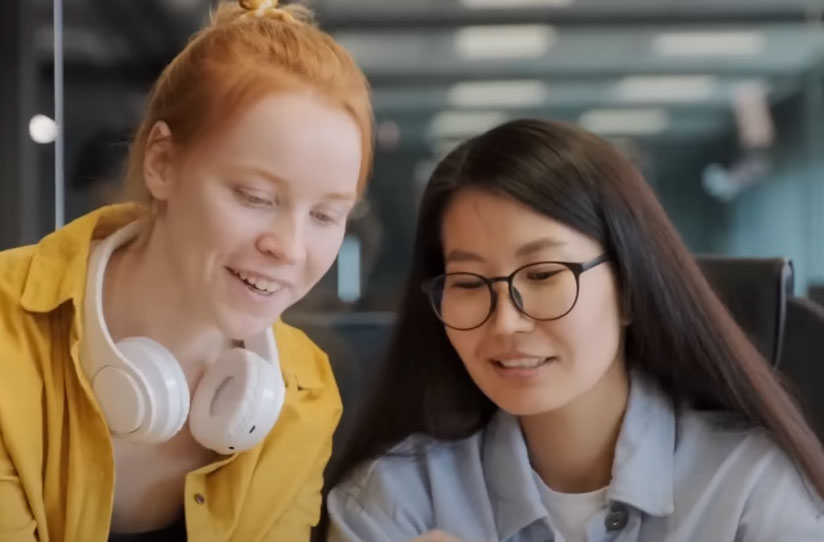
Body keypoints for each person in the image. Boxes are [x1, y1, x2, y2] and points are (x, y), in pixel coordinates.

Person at [323, 119, 824, 542]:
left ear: (630, 287)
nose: (506, 322)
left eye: (543, 275)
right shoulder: (393, 503)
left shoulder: (748, 487)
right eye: (469, 282)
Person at [0, 0, 372, 540]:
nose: (289, 248)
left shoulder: (304, 392)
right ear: (162, 163)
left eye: (325, 215)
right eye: (255, 196)